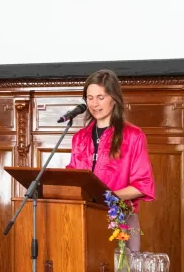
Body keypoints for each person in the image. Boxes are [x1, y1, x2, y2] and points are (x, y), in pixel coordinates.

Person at [65, 69, 155, 251]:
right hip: (82, 219)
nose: (94, 104)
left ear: (114, 98)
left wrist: (105, 197)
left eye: (100, 97)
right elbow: (73, 178)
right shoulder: (80, 138)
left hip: (120, 220)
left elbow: (142, 185)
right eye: (90, 98)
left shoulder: (133, 136)